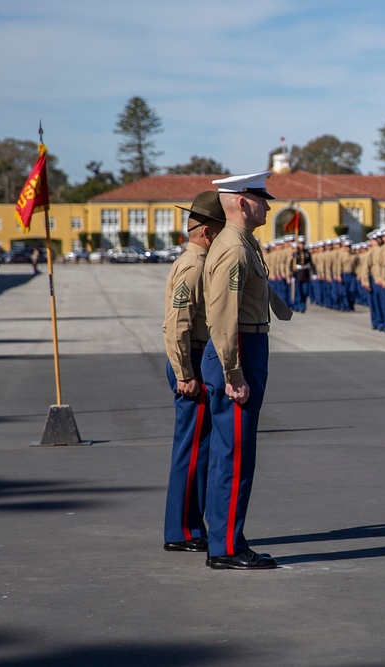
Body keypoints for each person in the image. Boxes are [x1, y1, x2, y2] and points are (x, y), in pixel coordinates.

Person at [202, 170, 290, 570]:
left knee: (229, 452)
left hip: (246, 345)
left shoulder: (242, 243)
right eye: (261, 198)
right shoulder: (235, 249)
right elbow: (223, 316)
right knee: (235, 455)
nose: (268, 205)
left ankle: (227, 538)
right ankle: (225, 548)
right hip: (238, 349)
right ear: (241, 201)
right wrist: (233, 373)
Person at [162, 191, 226, 553]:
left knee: (196, 447)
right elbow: (177, 324)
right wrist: (184, 370)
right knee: (192, 451)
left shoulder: (193, 259)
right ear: (208, 233)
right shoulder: (195, 265)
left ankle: (188, 526)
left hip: (194, 357)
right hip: (192, 359)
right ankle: (183, 530)